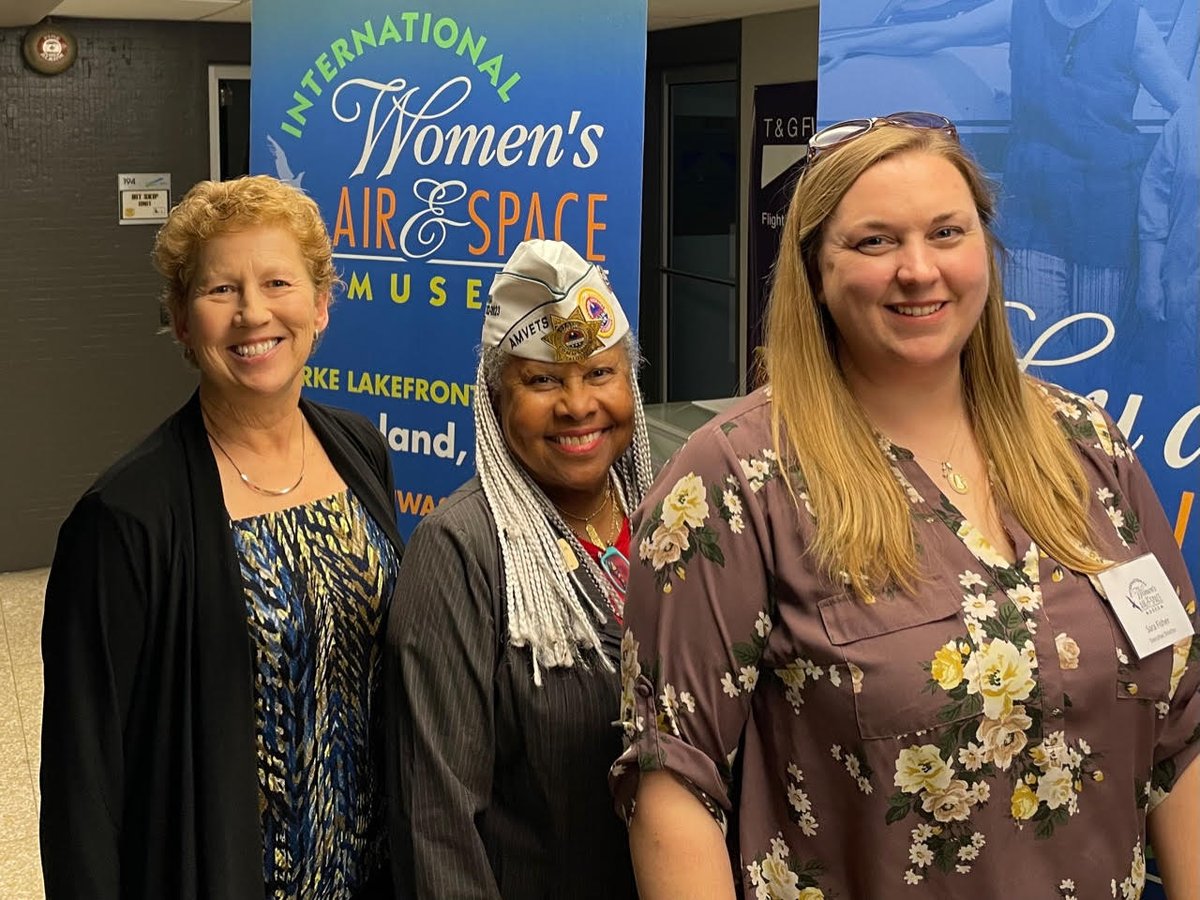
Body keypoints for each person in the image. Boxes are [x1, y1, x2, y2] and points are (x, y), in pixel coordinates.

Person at [612, 114, 1199, 898]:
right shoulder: (736, 481)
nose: (918, 270)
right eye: (875, 242)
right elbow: (674, 782)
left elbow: (1182, 724)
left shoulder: (1085, 444)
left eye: (946, 232)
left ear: (984, 249)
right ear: (816, 269)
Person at [40, 175, 404, 900]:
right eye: (220, 290)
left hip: (374, 874)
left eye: (278, 282)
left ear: (320, 305)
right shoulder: (124, 518)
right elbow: (83, 781)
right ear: (181, 321)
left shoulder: (359, 450)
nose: (253, 313)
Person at [385, 239, 653, 898]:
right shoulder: (460, 552)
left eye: (600, 373)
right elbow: (438, 827)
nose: (577, 405)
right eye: (542, 381)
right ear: (494, 398)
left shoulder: (669, 520)